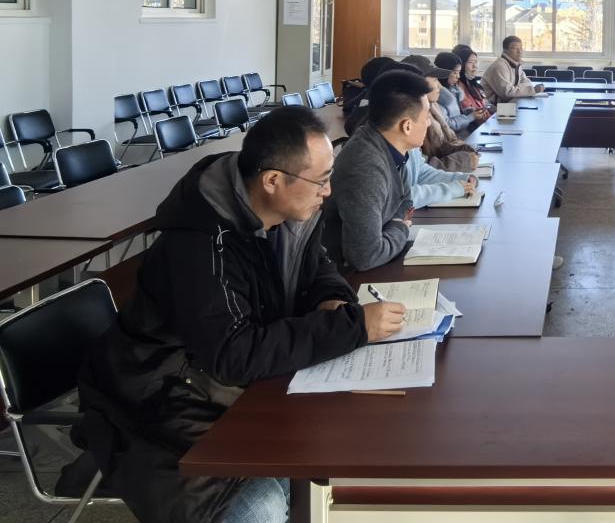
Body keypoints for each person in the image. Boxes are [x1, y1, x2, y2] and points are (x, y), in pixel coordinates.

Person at [75, 107, 406, 523]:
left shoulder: (290, 214)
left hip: (228, 386)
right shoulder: (200, 247)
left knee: (343, 445)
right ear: (272, 181)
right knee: (267, 505)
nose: (329, 191)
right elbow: (234, 354)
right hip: (164, 402)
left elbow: (318, 267)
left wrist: (334, 301)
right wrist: (352, 327)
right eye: (321, 180)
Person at [322, 69, 428, 271]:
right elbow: (365, 256)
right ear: (406, 126)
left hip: (378, 262)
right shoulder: (365, 166)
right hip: (347, 275)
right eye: (426, 117)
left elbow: (406, 203)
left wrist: (392, 228)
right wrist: (400, 228)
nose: (429, 123)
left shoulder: (390, 146)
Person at [420, 75, 480, 172]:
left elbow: (441, 146)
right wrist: (465, 160)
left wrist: (466, 150)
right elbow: (425, 170)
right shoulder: (419, 114)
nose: (439, 87)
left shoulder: (433, 106)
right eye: (434, 81)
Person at [435, 50, 489, 135]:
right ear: (444, 72)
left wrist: (471, 110)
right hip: (454, 137)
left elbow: (457, 113)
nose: (458, 76)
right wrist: (471, 117)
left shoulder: (453, 90)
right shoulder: (437, 96)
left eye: (459, 72)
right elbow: (448, 124)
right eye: (455, 72)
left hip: (461, 134)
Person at [481, 35, 543, 101]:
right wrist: (531, 90)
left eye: (521, 48)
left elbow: (527, 83)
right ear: (505, 50)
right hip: (495, 106)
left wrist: (516, 89)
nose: (519, 51)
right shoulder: (499, 66)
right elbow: (507, 93)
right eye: (515, 48)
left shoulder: (516, 64)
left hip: (507, 103)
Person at [452, 43, 490, 112]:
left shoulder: (471, 82)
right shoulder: (458, 87)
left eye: (476, 62)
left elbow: (484, 105)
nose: (475, 66)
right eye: (470, 62)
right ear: (461, 65)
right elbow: (475, 111)